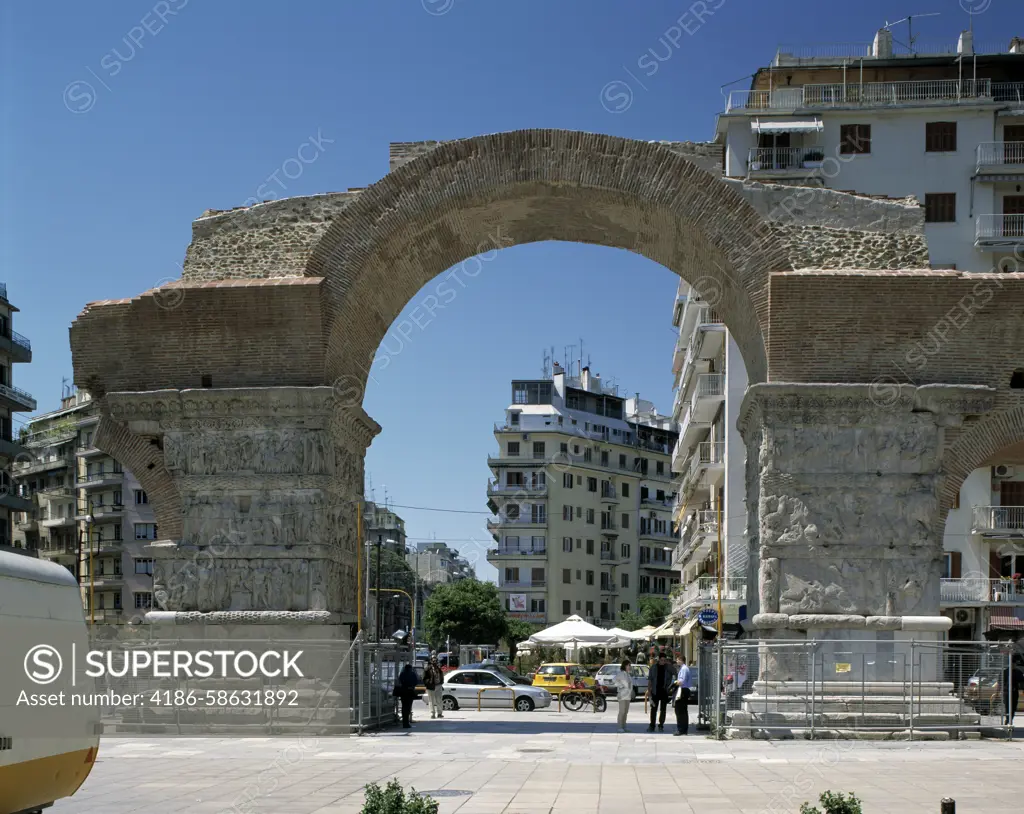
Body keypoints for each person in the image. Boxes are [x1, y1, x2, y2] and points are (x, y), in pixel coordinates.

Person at [647, 650, 674, 732]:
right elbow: (650, 680)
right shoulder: (653, 667)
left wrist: (669, 664)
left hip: (664, 691)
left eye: (664, 660)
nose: (663, 662)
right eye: (661, 660)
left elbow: (675, 672)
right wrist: (649, 692)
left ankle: (661, 725)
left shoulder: (668, 667)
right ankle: (652, 725)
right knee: (653, 709)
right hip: (655, 691)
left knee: (663, 709)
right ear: (658, 659)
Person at [673, 655, 693, 736]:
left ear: (681, 660)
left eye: (678, 660)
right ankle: (683, 729)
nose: (677, 661)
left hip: (683, 690)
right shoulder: (683, 668)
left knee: (680, 710)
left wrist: (675, 683)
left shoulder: (684, 669)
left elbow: (682, 681)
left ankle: (681, 729)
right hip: (683, 690)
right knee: (683, 711)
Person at [613, 659, 633, 732]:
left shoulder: (628, 674)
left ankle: (624, 726)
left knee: (626, 712)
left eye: (629, 665)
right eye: (628, 665)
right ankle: (619, 727)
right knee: (622, 711)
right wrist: (621, 686)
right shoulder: (621, 673)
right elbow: (614, 680)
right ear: (625, 666)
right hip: (622, 695)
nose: (629, 666)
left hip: (628, 695)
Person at [397, 663, 419, 729]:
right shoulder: (412, 674)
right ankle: (407, 723)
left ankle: (404, 722)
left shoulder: (402, 674)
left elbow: (400, 681)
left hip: (403, 691)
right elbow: (416, 682)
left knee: (404, 707)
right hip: (410, 692)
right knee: (408, 707)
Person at [424, 652, 445, 719]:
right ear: (430, 660)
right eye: (433, 659)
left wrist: (441, 682)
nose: (434, 661)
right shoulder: (427, 669)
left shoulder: (439, 668)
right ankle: (432, 714)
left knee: (439, 700)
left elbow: (441, 675)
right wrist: (429, 682)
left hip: (438, 686)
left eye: (435, 659)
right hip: (431, 687)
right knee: (431, 701)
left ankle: (439, 713)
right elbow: (424, 678)